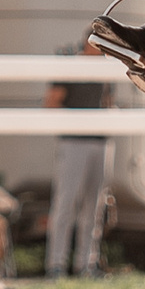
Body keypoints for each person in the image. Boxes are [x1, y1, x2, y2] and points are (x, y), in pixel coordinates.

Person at [43, 46, 112, 276]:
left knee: (94, 207)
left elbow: (108, 102)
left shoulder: (106, 69)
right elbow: (51, 103)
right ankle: (56, 265)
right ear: (88, 45)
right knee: (65, 204)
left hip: (101, 142)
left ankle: (87, 265)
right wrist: (77, 119)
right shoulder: (69, 66)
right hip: (73, 141)